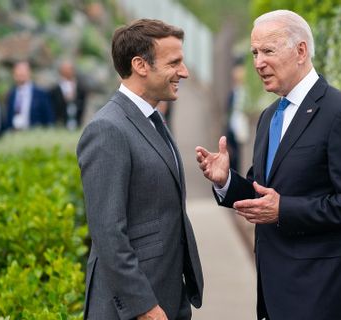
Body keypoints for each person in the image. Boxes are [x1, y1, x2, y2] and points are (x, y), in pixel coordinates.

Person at [195, 10, 341, 320]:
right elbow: (263, 193)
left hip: (323, 296)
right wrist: (225, 180)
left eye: (268, 50)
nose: (257, 62)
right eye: (254, 52)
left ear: (301, 51)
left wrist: (284, 210)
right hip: (274, 294)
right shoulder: (269, 117)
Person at [77, 19, 203, 320]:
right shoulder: (107, 129)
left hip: (168, 291)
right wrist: (142, 305)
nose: (183, 72)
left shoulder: (153, 120)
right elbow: (108, 232)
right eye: (174, 63)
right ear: (140, 65)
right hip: (134, 307)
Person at [5, 61, 54, 130]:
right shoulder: (11, 94)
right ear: (14, 75)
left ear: (29, 73)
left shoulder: (41, 94)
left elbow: (48, 119)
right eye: (18, 71)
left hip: (35, 135)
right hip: (15, 135)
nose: (20, 73)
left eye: (23, 71)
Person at [225, 57, 249, 172]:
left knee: (238, 157)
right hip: (232, 127)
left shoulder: (245, 92)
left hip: (240, 127)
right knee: (233, 157)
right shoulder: (234, 92)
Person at [50, 60, 87, 130]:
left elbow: (83, 105)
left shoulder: (80, 88)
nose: (68, 72)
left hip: (77, 122)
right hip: (60, 124)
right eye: (65, 70)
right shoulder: (55, 89)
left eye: (70, 69)